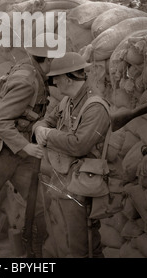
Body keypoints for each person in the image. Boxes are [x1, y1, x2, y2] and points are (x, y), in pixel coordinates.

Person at [0, 33, 54, 258]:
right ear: (47, 60)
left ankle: (33, 255)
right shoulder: (27, 81)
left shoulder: (31, 69)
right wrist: (26, 147)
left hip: (18, 149)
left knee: (38, 203)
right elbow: (1, 120)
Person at [33, 52, 111, 258]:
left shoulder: (95, 107)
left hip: (82, 186)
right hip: (66, 180)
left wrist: (48, 134)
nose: (54, 83)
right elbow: (44, 122)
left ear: (68, 78)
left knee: (80, 246)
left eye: (56, 78)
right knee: (75, 241)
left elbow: (79, 145)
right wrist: (40, 128)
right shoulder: (68, 101)